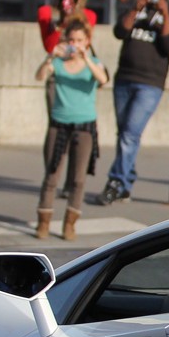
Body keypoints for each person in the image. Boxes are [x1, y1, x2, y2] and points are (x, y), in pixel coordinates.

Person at [96, 0, 169, 205]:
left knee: (130, 134)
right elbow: (119, 32)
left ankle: (115, 181)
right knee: (124, 133)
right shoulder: (137, 10)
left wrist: (164, 12)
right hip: (124, 77)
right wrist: (136, 7)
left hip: (150, 83)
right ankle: (127, 180)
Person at [33, 18, 108, 241]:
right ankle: (43, 222)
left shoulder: (94, 62)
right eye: (71, 39)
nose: (75, 44)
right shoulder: (58, 62)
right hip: (59, 124)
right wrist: (51, 56)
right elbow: (39, 76)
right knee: (51, 175)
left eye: (79, 40)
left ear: (87, 41)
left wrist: (87, 59)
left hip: (84, 125)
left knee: (78, 179)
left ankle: (70, 224)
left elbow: (103, 79)